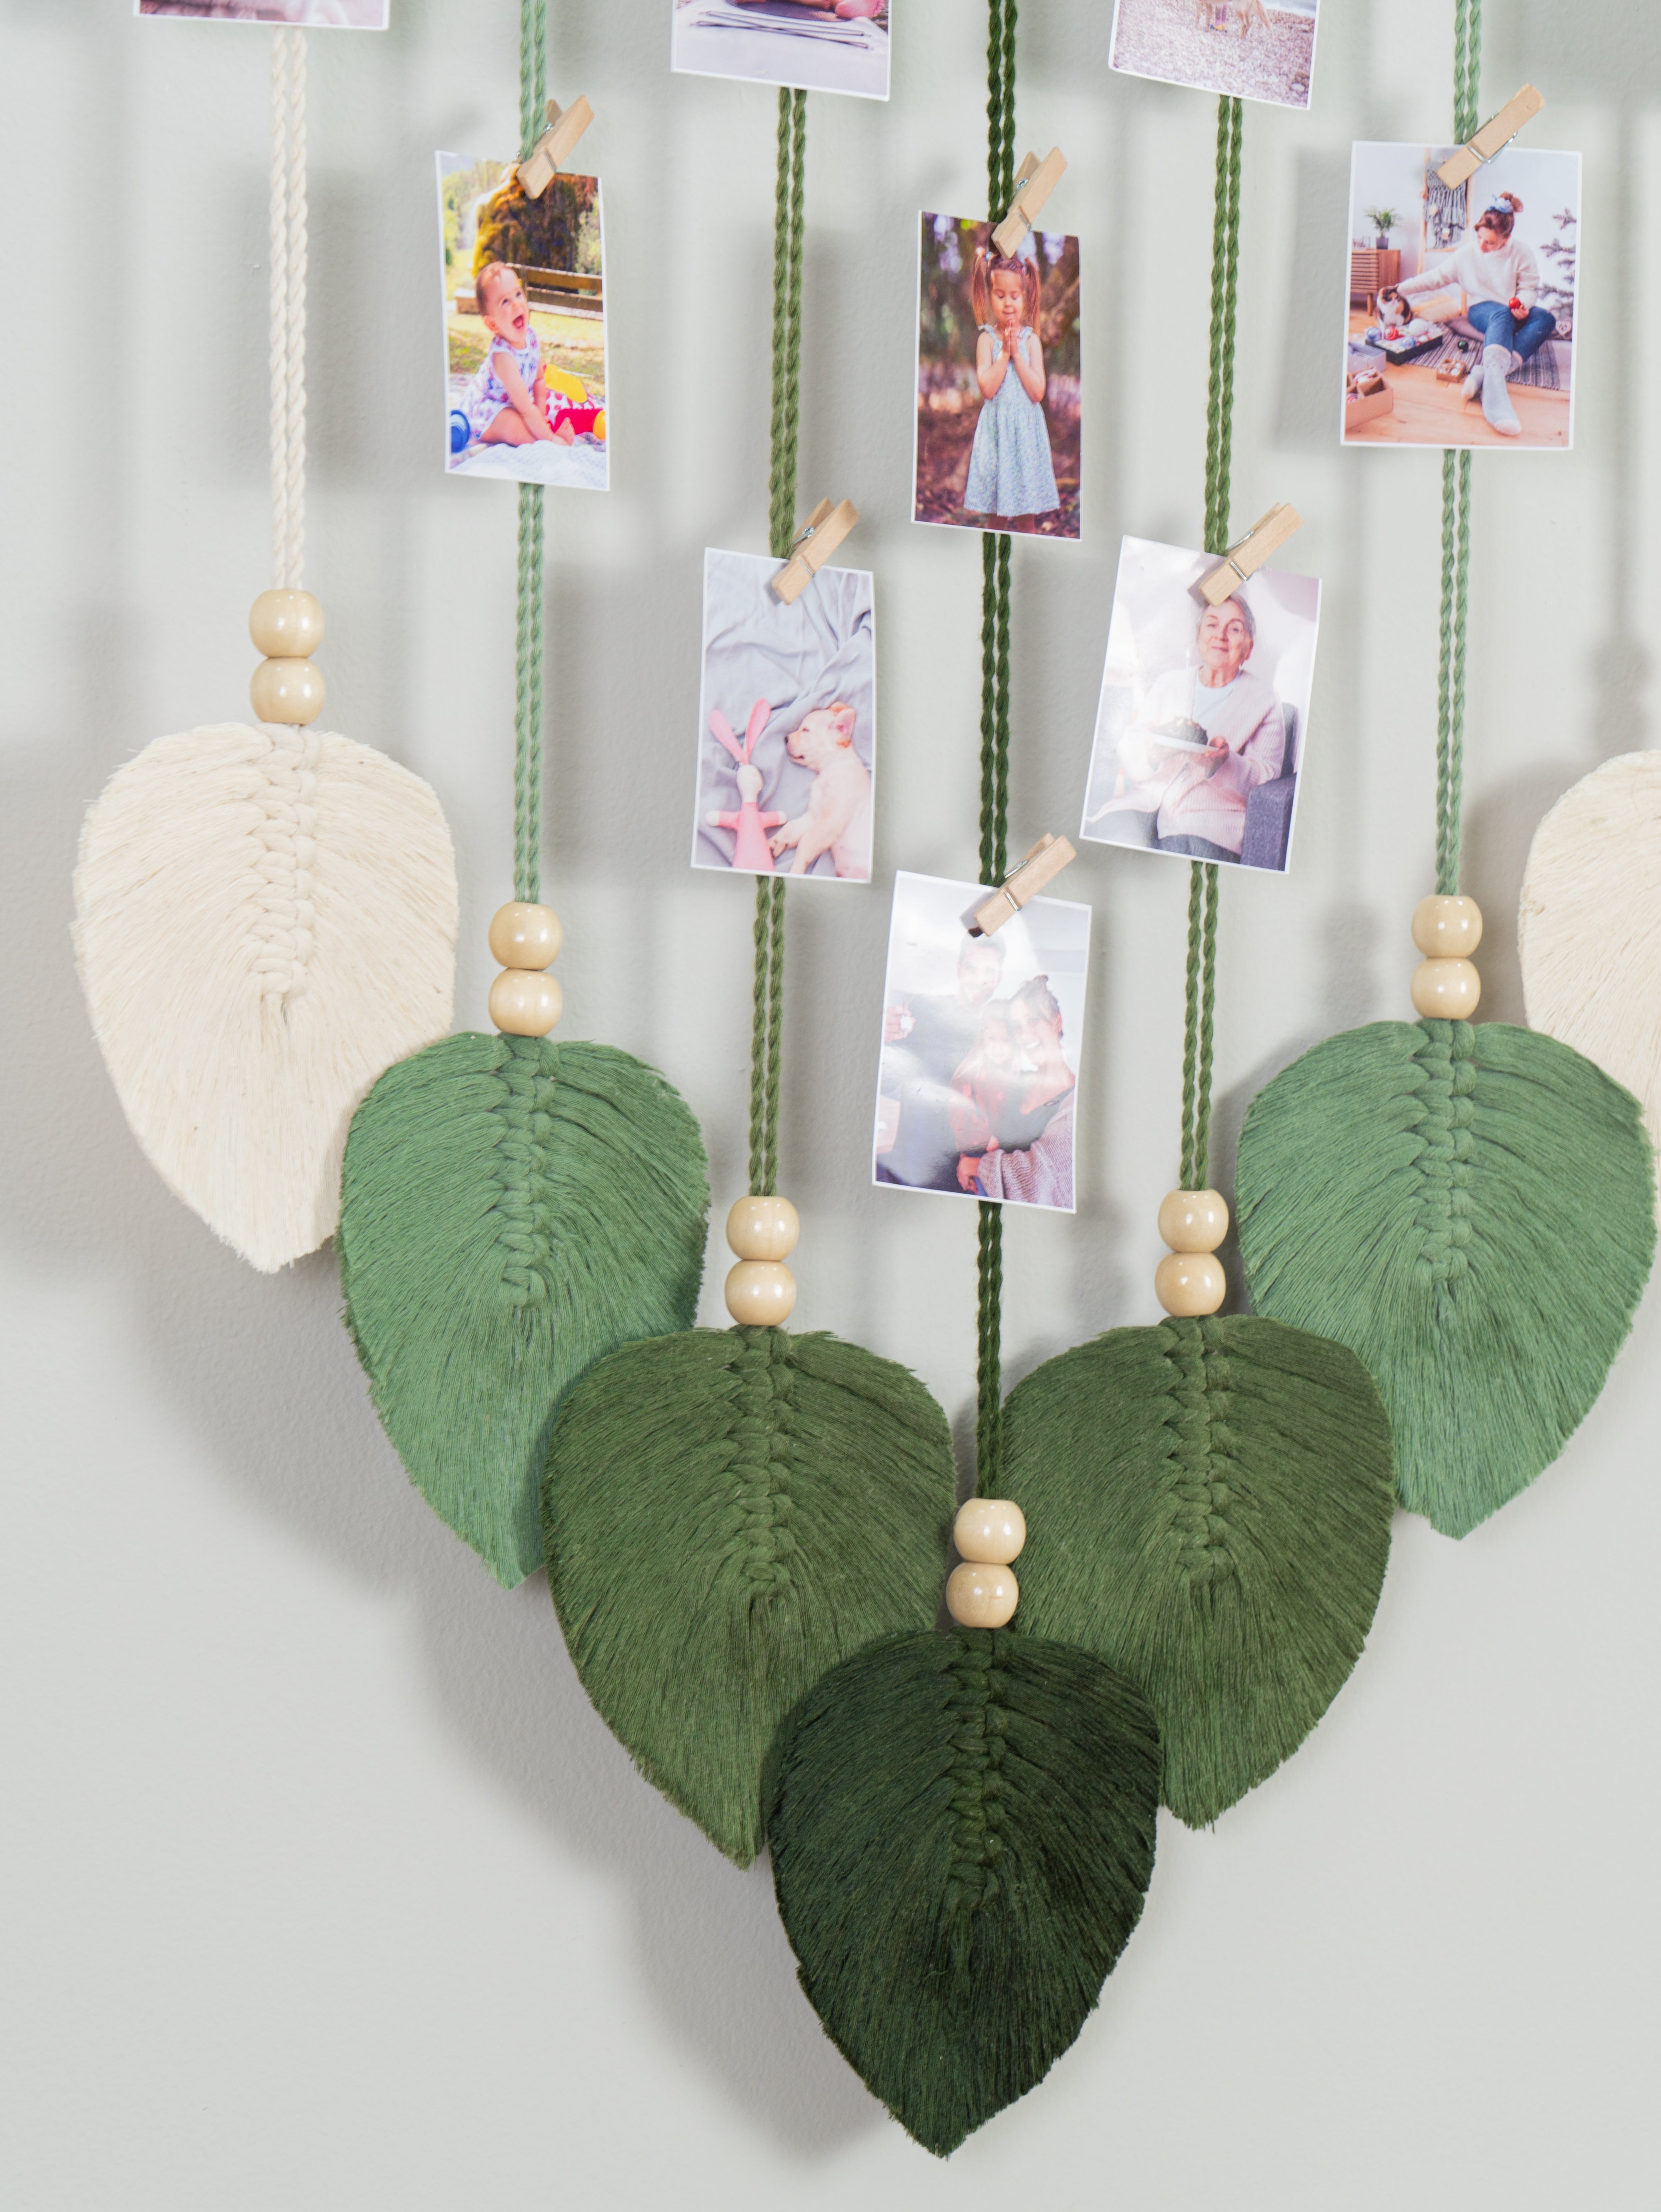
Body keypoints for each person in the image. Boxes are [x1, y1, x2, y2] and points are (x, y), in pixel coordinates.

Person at [1097, 592, 1285, 863]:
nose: (1220, 635)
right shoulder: (1168, 683)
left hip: (1209, 823)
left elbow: (1265, 779)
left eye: (1234, 629)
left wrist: (1222, 764)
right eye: (1211, 625)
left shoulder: (1265, 698)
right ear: (1198, 637)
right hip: (1144, 803)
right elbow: (1131, 743)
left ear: (1249, 648)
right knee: (1105, 842)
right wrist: (1151, 754)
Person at [1396, 191, 1553, 439]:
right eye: (1479, 237)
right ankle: (1495, 398)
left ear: (1507, 239)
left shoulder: (1522, 253)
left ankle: (1486, 372)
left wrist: (1523, 304)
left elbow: (1529, 288)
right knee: (1501, 314)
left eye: (1490, 242)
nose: (1482, 245)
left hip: (1512, 312)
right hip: (1483, 311)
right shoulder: (1466, 255)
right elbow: (1434, 278)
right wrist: (1399, 289)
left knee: (1547, 319)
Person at [878, 933, 1006, 1191]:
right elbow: (884, 1081)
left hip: (965, 1177)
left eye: (988, 971)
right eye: (971, 968)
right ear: (959, 970)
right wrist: (883, 1040)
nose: (979, 979)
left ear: (999, 978)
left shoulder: (1005, 1033)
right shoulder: (923, 1009)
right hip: (906, 1167)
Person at [962, 245, 1060, 534]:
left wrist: (1018, 354)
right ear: (988, 296)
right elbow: (988, 389)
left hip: (1026, 438)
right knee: (997, 516)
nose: (1008, 304)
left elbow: (1038, 392)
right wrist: (1004, 353)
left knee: (1027, 517)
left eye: (1014, 296)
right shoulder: (987, 341)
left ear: (1025, 297)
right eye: (1000, 295)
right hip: (998, 437)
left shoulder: (1031, 342)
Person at [958, 976, 1077, 1209]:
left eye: (1033, 1020)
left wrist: (977, 1167)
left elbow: (1040, 1177)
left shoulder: (1073, 1105)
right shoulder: (1016, 1084)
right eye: (1017, 1027)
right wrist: (966, 1159)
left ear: (1056, 1022)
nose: (1025, 1035)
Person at [460, 263, 576, 451]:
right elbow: (524, 410)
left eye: (518, 294)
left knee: (532, 417)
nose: (516, 304)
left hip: (514, 403)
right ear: (492, 324)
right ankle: (549, 444)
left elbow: (539, 380)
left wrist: (542, 415)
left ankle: (543, 435)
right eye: (505, 301)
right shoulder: (503, 357)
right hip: (487, 407)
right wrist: (550, 437)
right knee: (514, 425)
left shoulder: (531, 338)